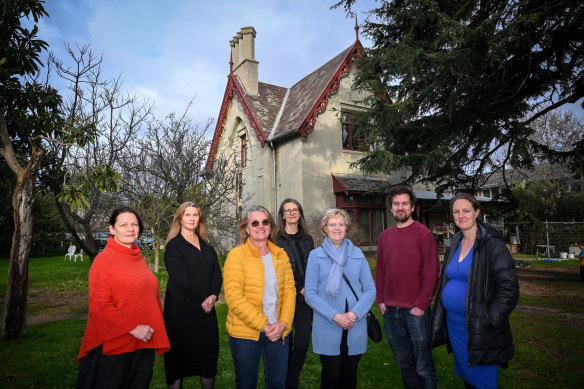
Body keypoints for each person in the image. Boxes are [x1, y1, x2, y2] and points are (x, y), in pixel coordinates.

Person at [431, 193, 519, 389]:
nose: (461, 215)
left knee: (483, 382)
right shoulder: (455, 243)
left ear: (477, 212)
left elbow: (509, 289)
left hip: (480, 329)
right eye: (456, 211)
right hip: (455, 326)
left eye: (466, 211)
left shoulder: (492, 245)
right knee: (468, 379)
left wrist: (489, 320)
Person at [77, 207, 170, 388]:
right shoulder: (103, 261)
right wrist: (134, 328)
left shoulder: (137, 257)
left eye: (134, 224)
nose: (130, 229)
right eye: (124, 225)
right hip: (116, 345)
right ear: (112, 229)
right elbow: (100, 306)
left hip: (142, 341)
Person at [224, 205, 296, 389]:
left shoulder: (281, 255)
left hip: (278, 333)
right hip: (245, 334)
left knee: (278, 383)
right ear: (246, 229)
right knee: (247, 384)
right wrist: (265, 325)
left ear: (271, 226)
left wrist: (283, 324)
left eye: (265, 222)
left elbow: (289, 291)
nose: (260, 226)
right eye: (254, 223)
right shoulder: (236, 256)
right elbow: (234, 297)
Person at [304, 208, 376, 389]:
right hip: (328, 324)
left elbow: (369, 290)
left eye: (341, 224)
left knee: (349, 377)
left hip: (355, 324)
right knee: (330, 377)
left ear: (346, 228)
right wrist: (336, 316)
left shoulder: (357, 254)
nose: (337, 228)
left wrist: (353, 315)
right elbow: (310, 294)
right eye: (332, 224)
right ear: (324, 228)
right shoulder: (315, 256)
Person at [376, 185, 439, 389]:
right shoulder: (384, 237)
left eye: (404, 203)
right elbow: (381, 272)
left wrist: (421, 306)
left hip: (415, 312)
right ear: (391, 208)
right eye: (396, 204)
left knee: (423, 366)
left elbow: (432, 274)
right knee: (404, 364)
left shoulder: (424, 234)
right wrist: (381, 301)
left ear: (412, 207)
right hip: (390, 312)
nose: (400, 207)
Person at [163, 202, 223, 389]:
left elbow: (216, 274)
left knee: (208, 356)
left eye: (195, 215)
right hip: (180, 312)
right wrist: (203, 299)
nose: (191, 218)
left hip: (206, 310)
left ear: (200, 219)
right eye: (187, 214)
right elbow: (181, 280)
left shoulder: (207, 245)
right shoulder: (173, 246)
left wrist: (213, 296)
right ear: (180, 218)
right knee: (177, 360)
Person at [276, 199, 315, 389]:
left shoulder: (308, 239)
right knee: (284, 341)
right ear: (282, 215)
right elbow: (279, 270)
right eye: (287, 210)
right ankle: (281, 380)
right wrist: (299, 285)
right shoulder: (275, 239)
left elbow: (312, 266)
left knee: (301, 343)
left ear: (299, 213)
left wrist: (309, 287)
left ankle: (290, 381)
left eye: (295, 210)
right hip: (284, 297)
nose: (292, 213)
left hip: (305, 299)